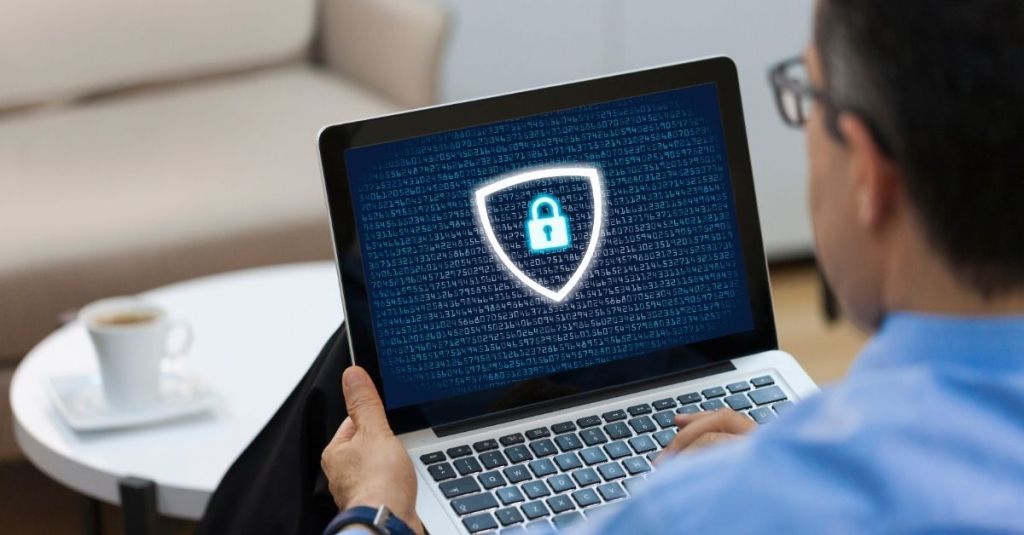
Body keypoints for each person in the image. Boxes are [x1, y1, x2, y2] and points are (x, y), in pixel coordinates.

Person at [319, 0, 1024, 532]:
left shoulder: (698, 512)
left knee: (329, 381)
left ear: (869, 174)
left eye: (807, 98)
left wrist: (376, 513)